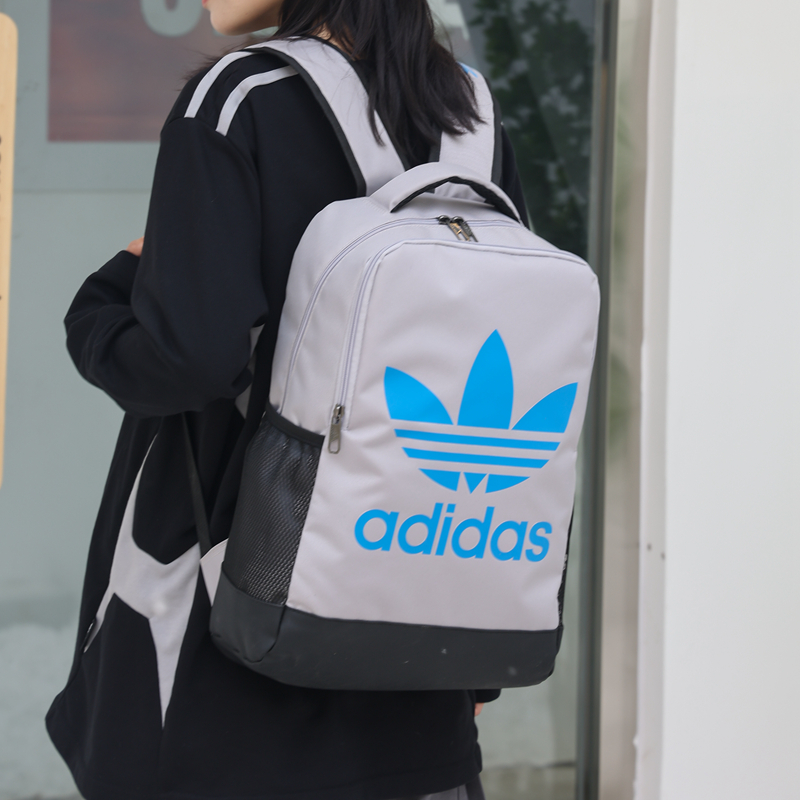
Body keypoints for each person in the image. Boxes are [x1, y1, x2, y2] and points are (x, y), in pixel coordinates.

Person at [48, 1, 529, 798]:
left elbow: (188, 360)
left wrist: (104, 304)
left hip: (227, 672)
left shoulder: (242, 96)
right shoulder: (469, 117)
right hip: (424, 673)